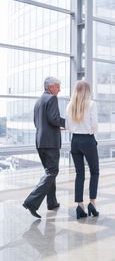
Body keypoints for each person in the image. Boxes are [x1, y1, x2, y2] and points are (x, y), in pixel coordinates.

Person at [23, 77, 65, 218]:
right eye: (58, 87)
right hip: (50, 143)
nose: (59, 90)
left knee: (49, 171)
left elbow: (38, 122)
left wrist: (53, 128)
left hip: (40, 142)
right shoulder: (52, 99)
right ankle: (31, 201)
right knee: (52, 171)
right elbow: (54, 119)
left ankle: (52, 202)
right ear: (51, 87)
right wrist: (69, 123)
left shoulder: (39, 100)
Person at [66, 80, 99, 219]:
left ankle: (80, 205)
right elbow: (94, 125)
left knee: (79, 174)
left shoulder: (70, 105)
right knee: (94, 172)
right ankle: (92, 203)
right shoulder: (91, 104)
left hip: (75, 141)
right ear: (87, 91)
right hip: (88, 140)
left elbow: (67, 126)